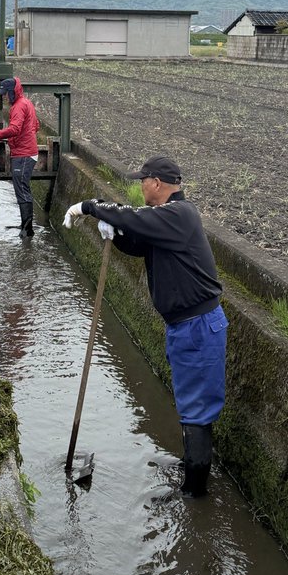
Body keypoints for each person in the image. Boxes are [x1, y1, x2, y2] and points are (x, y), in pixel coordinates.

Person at [63, 155, 227, 497]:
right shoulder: (166, 220)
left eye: (143, 180)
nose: (140, 186)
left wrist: (92, 208)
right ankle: (190, 464)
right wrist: (117, 235)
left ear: (157, 183)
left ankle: (194, 494)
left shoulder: (179, 214)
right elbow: (138, 242)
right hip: (186, 326)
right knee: (189, 401)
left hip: (197, 327)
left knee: (197, 409)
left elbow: (136, 218)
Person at [0, 76, 40, 237]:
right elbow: (36, 126)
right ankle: (25, 224)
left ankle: (28, 229)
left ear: (13, 92)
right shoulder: (26, 103)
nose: (4, 97)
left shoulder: (18, 106)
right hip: (27, 151)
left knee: (22, 189)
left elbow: (15, 129)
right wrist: (21, 138)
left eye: (6, 94)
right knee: (22, 188)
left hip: (24, 154)